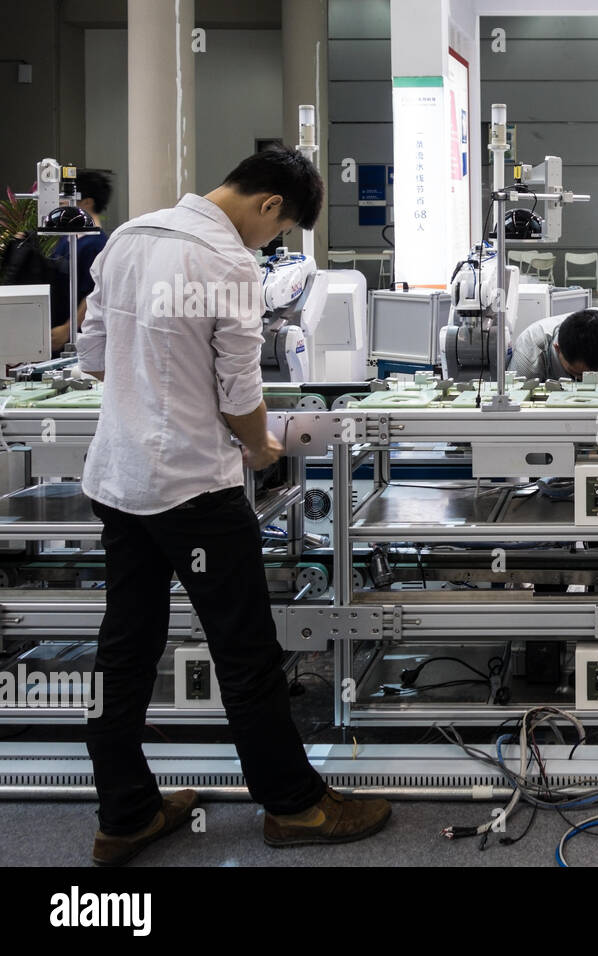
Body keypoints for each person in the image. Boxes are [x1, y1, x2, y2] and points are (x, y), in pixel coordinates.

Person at [78, 146, 391, 866]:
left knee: (124, 650)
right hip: (193, 489)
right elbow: (240, 397)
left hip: (120, 483)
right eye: (274, 234)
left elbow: (93, 355)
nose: (269, 245)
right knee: (245, 651)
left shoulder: (128, 238)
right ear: (270, 205)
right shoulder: (228, 267)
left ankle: (124, 814)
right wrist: (261, 449)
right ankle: (295, 806)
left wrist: (153, 380)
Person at [49, 169, 113, 352]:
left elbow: (94, 293)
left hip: (73, 338)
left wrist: (68, 330)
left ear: (87, 202)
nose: (61, 201)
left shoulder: (96, 244)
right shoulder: (68, 238)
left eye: (69, 197)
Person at [509, 307, 598, 380]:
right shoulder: (531, 351)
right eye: (577, 374)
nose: (584, 381)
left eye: (594, 374)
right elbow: (516, 405)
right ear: (558, 349)